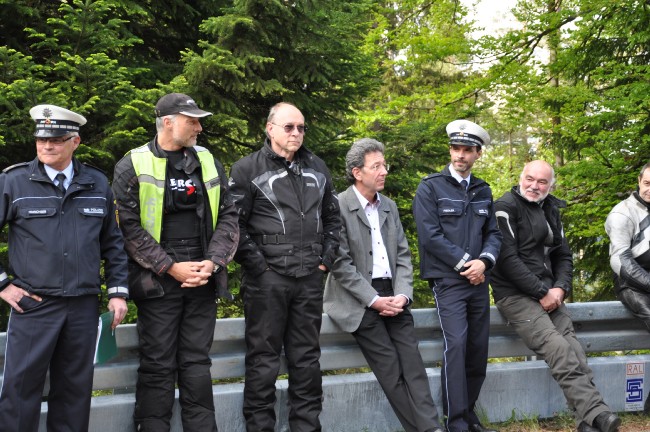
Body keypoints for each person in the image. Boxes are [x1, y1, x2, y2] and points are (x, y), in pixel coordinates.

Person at [112, 93, 239, 431]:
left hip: (201, 276)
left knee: (197, 364)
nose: (199, 127)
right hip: (158, 280)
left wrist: (213, 263)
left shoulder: (208, 160)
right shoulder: (133, 163)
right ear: (168, 122)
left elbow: (229, 216)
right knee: (157, 365)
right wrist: (170, 267)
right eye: (191, 121)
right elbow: (127, 228)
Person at [0, 104, 129, 432]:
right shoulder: (13, 182)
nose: (46, 146)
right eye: (41, 139)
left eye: (56, 140)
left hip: (82, 307)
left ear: (75, 142)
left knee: (74, 393)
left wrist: (117, 293)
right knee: (20, 391)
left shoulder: (96, 183)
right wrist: (3, 285)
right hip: (34, 305)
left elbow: (113, 243)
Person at [229, 102, 340, 432]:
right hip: (267, 281)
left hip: (309, 278)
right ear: (270, 128)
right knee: (263, 360)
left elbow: (333, 219)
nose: (296, 133)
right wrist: (260, 268)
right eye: (289, 127)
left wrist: (325, 262)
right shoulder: (246, 169)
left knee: (307, 360)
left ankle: (306, 427)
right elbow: (233, 226)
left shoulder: (317, 167)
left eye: (301, 127)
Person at [324, 138, 444, 432]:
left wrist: (402, 295)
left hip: (394, 295)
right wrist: (374, 300)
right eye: (376, 166)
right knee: (391, 371)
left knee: (414, 367)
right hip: (358, 300)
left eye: (384, 164)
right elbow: (340, 263)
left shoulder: (388, 206)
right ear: (357, 172)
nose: (384, 171)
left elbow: (402, 255)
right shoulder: (337, 206)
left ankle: (432, 429)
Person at [491, 160, 620, 432]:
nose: (534, 186)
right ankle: (598, 413)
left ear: (550, 186)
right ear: (520, 178)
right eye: (530, 179)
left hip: (550, 293)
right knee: (558, 348)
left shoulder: (550, 209)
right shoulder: (504, 207)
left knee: (574, 350)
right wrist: (541, 292)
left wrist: (560, 288)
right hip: (515, 295)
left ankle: (586, 423)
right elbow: (506, 260)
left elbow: (563, 256)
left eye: (542, 182)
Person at [413, 119, 502, 432]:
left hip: (478, 280)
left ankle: (469, 416)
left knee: (477, 349)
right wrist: (468, 264)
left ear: (478, 153)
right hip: (448, 281)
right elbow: (430, 236)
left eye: (467, 150)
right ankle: (456, 422)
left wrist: (484, 263)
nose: (460, 155)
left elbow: (493, 234)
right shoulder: (430, 187)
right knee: (457, 346)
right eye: (455, 148)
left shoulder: (483, 190)